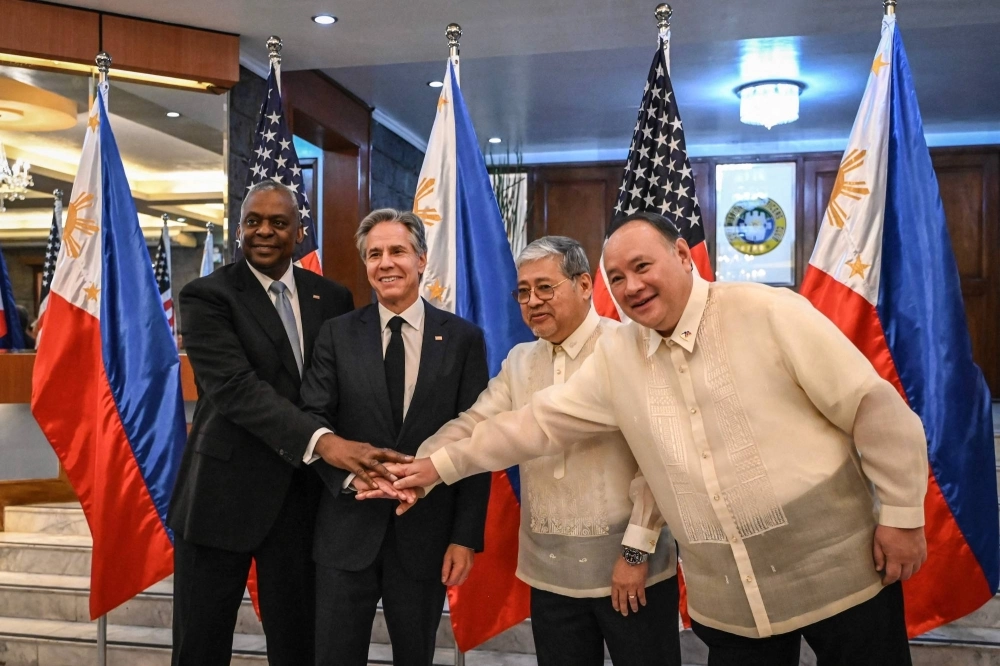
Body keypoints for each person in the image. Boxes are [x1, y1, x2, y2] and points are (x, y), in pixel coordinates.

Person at [390, 211, 929, 666]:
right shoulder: (618, 357)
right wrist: (439, 466)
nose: (631, 287)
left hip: (839, 567)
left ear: (682, 255)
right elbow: (537, 423)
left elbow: (873, 408)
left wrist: (903, 513)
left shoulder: (767, 311)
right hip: (730, 597)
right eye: (618, 278)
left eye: (642, 267)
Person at [361, 235, 682, 665]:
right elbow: (476, 423)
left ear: (585, 285)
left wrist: (635, 552)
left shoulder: (628, 348)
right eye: (523, 291)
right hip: (549, 574)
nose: (532, 301)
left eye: (545, 288)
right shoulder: (520, 360)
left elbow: (656, 460)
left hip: (628, 571)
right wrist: (415, 468)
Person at [169, 181, 408, 666]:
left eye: (279, 223)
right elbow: (236, 388)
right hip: (221, 498)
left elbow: (348, 390)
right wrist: (325, 443)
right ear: (239, 231)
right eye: (254, 221)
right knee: (199, 646)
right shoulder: (206, 296)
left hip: (301, 504)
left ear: (299, 233)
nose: (264, 231)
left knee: (298, 646)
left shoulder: (334, 298)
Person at [299, 208, 491, 666]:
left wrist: (465, 536)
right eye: (374, 254)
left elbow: (478, 440)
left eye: (397, 251)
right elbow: (313, 418)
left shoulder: (463, 339)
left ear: (421, 260)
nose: (385, 263)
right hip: (346, 532)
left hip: (425, 536)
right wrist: (351, 479)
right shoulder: (337, 334)